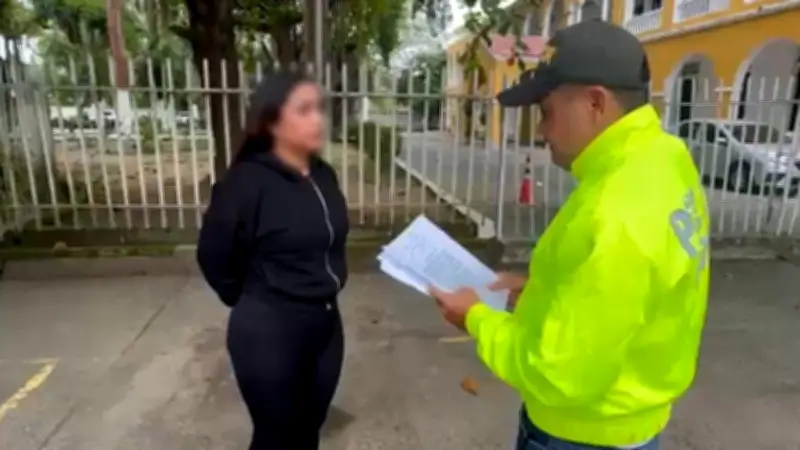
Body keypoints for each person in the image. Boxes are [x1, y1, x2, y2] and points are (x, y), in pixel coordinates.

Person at [430, 21, 710, 450]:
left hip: (583, 433)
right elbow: (636, 284)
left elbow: (557, 374)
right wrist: (545, 288)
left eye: (547, 112)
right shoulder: (665, 157)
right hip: (630, 418)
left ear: (595, 103)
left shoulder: (617, 210)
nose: (541, 131)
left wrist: (475, 317)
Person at [196, 72, 349, 450]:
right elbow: (214, 257)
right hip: (270, 332)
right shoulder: (245, 183)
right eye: (304, 110)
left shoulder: (323, 175)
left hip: (326, 325)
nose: (318, 120)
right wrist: (255, 300)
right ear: (271, 120)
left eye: (320, 109)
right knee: (275, 437)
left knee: (309, 430)